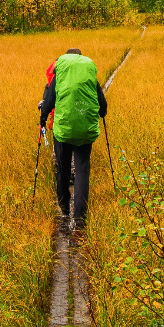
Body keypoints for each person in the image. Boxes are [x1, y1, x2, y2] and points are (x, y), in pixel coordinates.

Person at [38, 48, 107, 233]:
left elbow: (49, 101)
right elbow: (103, 106)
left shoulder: (59, 73)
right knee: (82, 169)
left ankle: (64, 209)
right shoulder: (89, 75)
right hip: (85, 129)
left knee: (63, 168)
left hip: (63, 129)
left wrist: (43, 119)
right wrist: (102, 113)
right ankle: (80, 218)